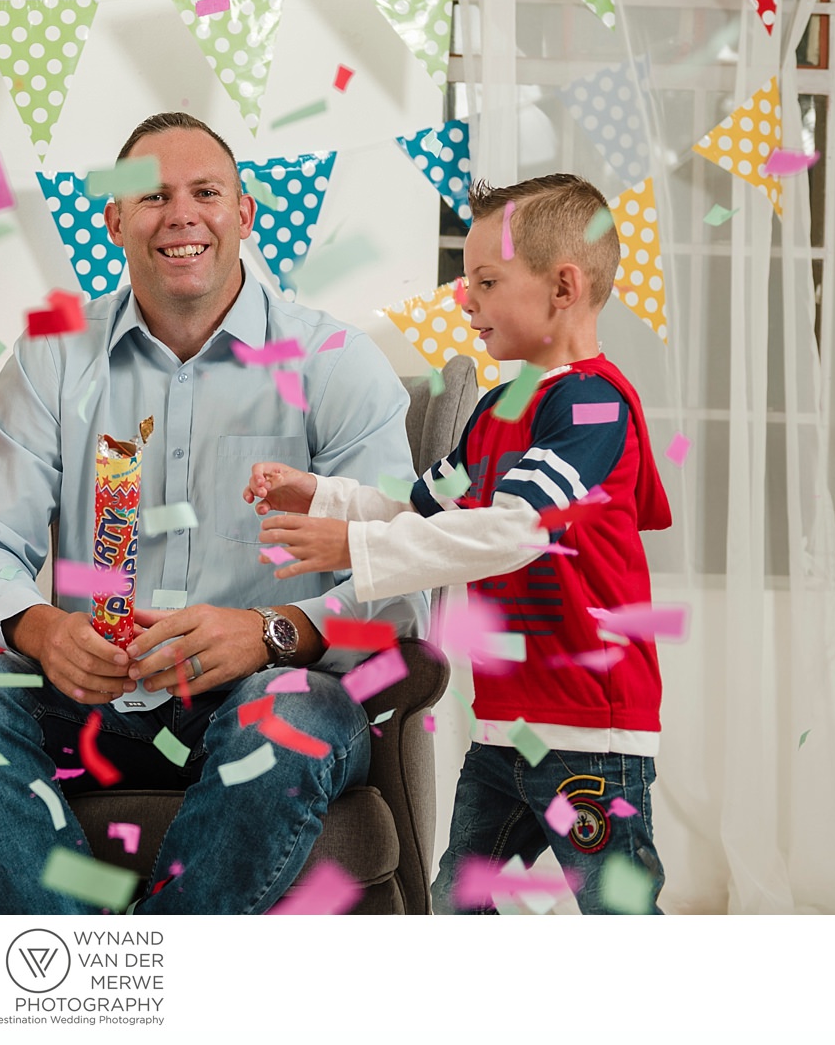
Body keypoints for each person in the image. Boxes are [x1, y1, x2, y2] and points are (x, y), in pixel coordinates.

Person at [0, 111, 427, 914]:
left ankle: (112, 997)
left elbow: (400, 580)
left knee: (287, 708)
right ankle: (106, 972)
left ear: (245, 213)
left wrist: (266, 633)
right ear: (115, 219)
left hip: (265, 696)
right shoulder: (52, 358)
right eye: (152, 197)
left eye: (206, 192)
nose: (181, 214)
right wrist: (40, 628)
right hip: (91, 706)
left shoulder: (336, 364)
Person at [252, 172, 673, 914]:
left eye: (485, 279)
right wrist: (320, 494)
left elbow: (513, 530)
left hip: (592, 734)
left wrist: (353, 548)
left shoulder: (594, 405)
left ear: (563, 287)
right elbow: (417, 502)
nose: (464, 298)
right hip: (506, 728)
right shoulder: (501, 405)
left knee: (618, 914)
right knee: (455, 903)